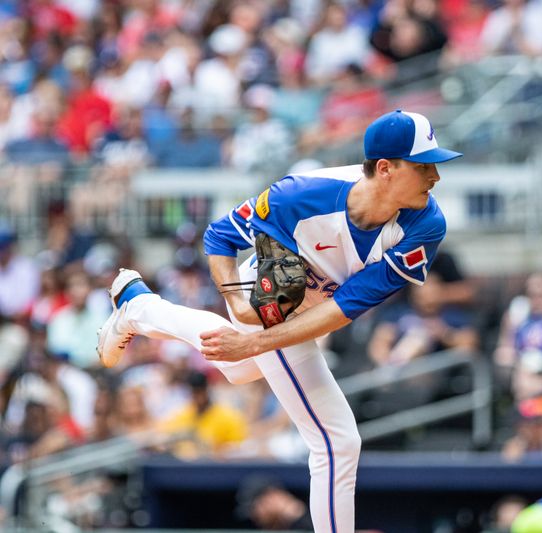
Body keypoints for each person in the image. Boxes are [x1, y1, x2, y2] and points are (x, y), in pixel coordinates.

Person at [96, 109, 462, 533]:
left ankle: (139, 306)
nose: (435, 175)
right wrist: (240, 304)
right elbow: (219, 237)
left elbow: (346, 307)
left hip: (314, 307)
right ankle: (143, 309)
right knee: (337, 440)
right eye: (423, 165)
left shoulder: (427, 225)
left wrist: (251, 345)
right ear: (385, 169)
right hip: (267, 294)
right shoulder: (302, 194)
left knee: (236, 366)